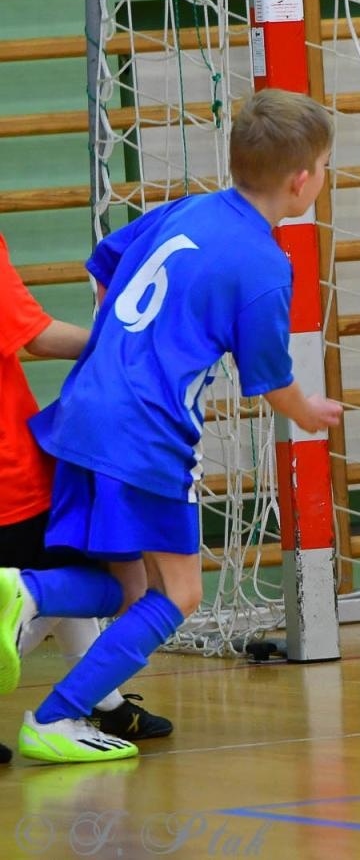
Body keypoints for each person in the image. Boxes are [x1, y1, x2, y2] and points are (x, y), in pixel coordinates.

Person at [0, 89, 344, 762]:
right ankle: (52, 705)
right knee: (180, 593)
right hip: (146, 434)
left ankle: (30, 600)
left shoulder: (186, 210)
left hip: (81, 409)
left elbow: (106, 260)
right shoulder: (266, 267)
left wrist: (127, 337)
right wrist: (312, 413)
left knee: (132, 588)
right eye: (326, 165)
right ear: (303, 180)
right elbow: (271, 381)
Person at [0, 235, 176, 767]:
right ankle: (81, 702)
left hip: (22, 473)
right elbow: (39, 338)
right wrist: (125, 341)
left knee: (79, 565)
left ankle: (102, 700)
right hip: (10, 479)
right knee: (124, 588)